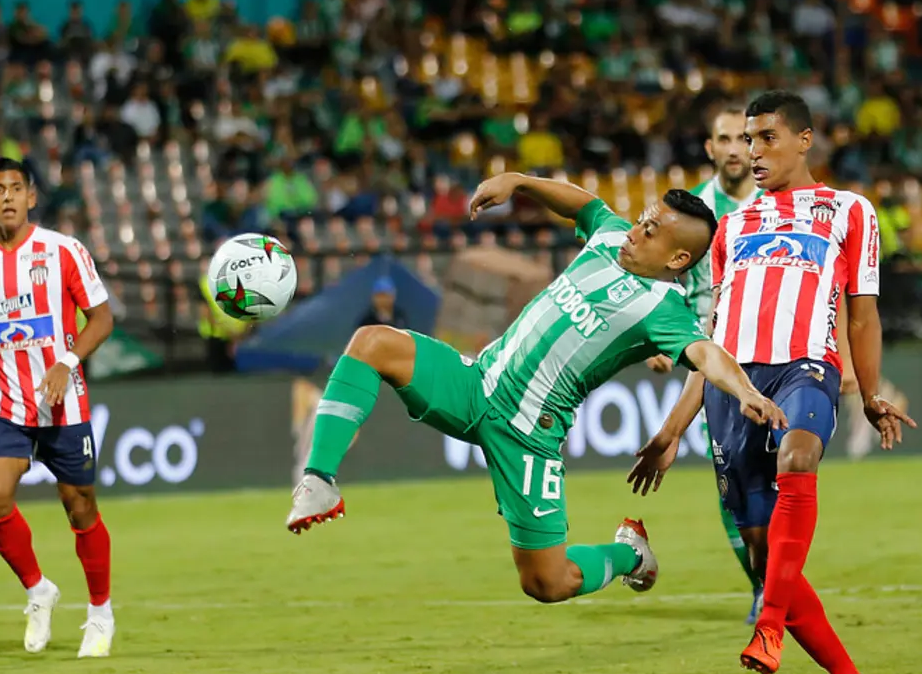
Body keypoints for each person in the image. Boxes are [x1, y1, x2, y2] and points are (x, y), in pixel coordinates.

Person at [285, 171, 788, 607]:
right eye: (642, 219)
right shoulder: (611, 236)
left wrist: (745, 391)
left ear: (678, 258)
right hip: (476, 383)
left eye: (651, 231)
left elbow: (705, 353)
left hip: (528, 439)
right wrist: (519, 183)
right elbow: (584, 203)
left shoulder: (663, 308)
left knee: (547, 583)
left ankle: (631, 553)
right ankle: (319, 480)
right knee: (372, 341)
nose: (636, 230)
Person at [628, 91, 917, 674]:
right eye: (748, 140)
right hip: (736, 387)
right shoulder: (731, 227)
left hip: (805, 366)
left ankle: (770, 625)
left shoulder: (849, 211)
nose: (755, 153)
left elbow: (863, 315)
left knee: (800, 456)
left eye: (766, 138)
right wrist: (673, 429)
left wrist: (869, 392)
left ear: (804, 140)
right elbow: (714, 341)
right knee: (762, 548)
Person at [0, 158, 116, 658]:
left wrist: (65, 361)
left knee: (80, 507)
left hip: (62, 402)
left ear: (31, 198)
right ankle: (38, 590)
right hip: (3, 403)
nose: (9, 196)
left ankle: (100, 611)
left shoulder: (63, 252)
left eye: (17, 188)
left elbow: (101, 320)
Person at [650, 103, 765, 624]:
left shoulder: (775, 202)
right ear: (711, 148)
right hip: (711, 360)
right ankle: (764, 587)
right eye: (726, 139)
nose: (736, 148)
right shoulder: (694, 212)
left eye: (745, 138)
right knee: (733, 487)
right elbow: (658, 275)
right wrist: (655, 338)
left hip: (769, 351)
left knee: (782, 477)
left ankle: (776, 585)